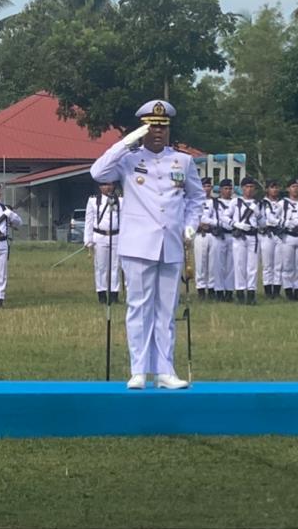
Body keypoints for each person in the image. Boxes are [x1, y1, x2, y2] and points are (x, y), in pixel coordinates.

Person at [90, 99, 203, 390]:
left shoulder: (183, 161)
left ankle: (165, 370)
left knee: (166, 310)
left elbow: (196, 197)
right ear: (142, 129)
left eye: (163, 127)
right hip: (138, 245)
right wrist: (125, 143)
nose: (158, 132)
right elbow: (98, 173)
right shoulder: (128, 160)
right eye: (152, 127)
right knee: (139, 308)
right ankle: (138, 370)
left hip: (171, 244)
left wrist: (190, 224)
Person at [84, 180, 121, 304]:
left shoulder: (119, 200)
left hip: (116, 236)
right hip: (100, 236)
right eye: (104, 185)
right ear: (100, 187)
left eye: (110, 184)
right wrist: (88, 240)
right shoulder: (93, 201)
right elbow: (89, 221)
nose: (107, 187)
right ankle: (102, 294)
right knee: (101, 267)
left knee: (115, 266)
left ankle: (114, 294)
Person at [203, 178, 235, 301]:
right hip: (218, 235)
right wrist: (218, 223)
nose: (228, 191)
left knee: (231, 265)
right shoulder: (213, 203)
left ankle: (229, 291)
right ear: (220, 190)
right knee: (218, 265)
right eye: (226, 188)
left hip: (232, 235)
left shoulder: (235, 202)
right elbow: (204, 218)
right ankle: (219, 290)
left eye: (230, 188)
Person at [231, 177, 261, 305]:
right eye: (247, 187)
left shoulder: (258, 203)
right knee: (239, 265)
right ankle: (240, 292)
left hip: (253, 236)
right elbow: (225, 217)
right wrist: (236, 224)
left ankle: (251, 293)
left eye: (251, 187)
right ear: (242, 188)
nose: (249, 189)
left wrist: (259, 215)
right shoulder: (235, 202)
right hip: (240, 235)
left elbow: (262, 222)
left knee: (252, 266)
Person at [258, 179, 284, 300]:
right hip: (266, 234)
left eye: (276, 187)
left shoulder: (282, 203)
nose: (275, 190)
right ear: (267, 189)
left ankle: (277, 290)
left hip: (279, 234)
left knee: (279, 264)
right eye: (272, 187)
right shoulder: (262, 203)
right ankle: (268, 291)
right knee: (267, 264)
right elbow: (260, 219)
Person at [279, 178, 298, 300]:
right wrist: (284, 223)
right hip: (288, 236)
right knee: (287, 264)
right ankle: (288, 289)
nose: (296, 189)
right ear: (288, 189)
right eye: (293, 186)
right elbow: (274, 218)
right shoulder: (282, 203)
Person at [193, 177, 214, 300]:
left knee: (212, 264)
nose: (206, 188)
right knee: (200, 263)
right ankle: (201, 289)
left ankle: (211, 289)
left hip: (212, 233)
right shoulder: (195, 201)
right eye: (204, 186)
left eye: (208, 186)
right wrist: (199, 224)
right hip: (200, 234)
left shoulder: (215, 202)